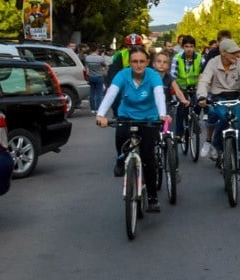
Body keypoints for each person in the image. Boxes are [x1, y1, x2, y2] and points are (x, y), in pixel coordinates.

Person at [95, 45, 169, 213]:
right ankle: (121, 161)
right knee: (120, 137)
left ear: (147, 62)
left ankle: (152, 197)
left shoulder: (153, 76)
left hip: (148, 118)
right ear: (129, 63)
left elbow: (159, 94)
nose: (138, 65)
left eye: (142, 61)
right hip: (126, 115)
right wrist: (100, 115)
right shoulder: (122, 75)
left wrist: (162, 115)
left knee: (148, 158)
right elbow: (111, 93)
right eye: (134, 61)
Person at [197, 38, 240, 181]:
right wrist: (201, 96)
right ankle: (216, 145)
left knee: (238, 130)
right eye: (232, 53)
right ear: (223, 52)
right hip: (218, 98)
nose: (236, 55)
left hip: (236, 97)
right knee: (224, 117)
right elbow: (204, 81)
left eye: (237, 53)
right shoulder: (213, 63)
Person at [173, 35, 203, 141]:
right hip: (181, 87)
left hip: (195, 87)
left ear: (194, 47)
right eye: (186, 46)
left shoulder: (200, 57)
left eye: (191, 46)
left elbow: (203, 73)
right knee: (181, 108)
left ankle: (195, 119)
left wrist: (200, 88)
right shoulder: (177, 58)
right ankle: (179, 133)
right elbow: (173, 76)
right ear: (183, 47)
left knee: (200, 101)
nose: (189, 49)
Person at [84, 45, 107, 115]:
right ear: (97, 50)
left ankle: (93, 109)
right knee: (99, 93)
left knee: (92, 93)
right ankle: (98, 108)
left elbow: (86, 66)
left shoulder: (87, 58)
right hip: (99, 76)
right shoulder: (100, 58)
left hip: (91, 76)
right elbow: (104, 65)